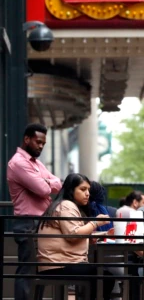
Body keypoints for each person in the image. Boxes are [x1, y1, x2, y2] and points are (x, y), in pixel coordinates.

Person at [36, 173, 115, 300]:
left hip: (60, 263)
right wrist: (95, 222)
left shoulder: (67, 205)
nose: (88, 194)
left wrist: (102, 234)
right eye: (83, 189)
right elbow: (73, 234)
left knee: (103, 275)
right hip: (59, 265)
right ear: (71, 190)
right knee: (104, 277)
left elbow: (74, 232)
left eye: (88, 190)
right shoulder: (66, 206)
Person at [7, 123, 62, 300]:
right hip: (28, 222)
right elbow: (44, 189)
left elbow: (58, 183)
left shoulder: (36, 163)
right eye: (38, 142)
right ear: (27, 139)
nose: (40, 146)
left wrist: (46, 180)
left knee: (39, 270)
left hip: (40, 223)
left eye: (43, 144)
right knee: (28, 270)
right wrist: (46, 181)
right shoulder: (18, 163)